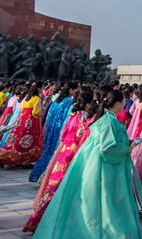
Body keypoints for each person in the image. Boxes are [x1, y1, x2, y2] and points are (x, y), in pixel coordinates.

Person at [33, 89, 142, 238]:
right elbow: (107, 149)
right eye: (123, 102)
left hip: (93, 161)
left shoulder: (105, 118)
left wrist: (128, 142)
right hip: (105, 166)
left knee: (94, 199)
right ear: (118, 103)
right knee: (106, 199)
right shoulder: (109, 120)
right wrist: (128, 148)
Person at [23, 88, 94, 233]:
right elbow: (82, 138)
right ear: (88, 104)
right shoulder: (85, 118)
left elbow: (64, 134)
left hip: (63, 152)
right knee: (64, 188)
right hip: (73, 154)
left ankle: (36, 219)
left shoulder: (73, 115)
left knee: (52, 187)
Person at [29, 82, 76, 182]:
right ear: (71, 90)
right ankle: (45, 177)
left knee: (47, 151)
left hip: (51, 127)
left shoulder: (57, 98)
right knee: (53, 152)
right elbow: (66, 116)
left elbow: (49, 113)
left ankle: (36, 174)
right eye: (75, 90)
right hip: (58, 129)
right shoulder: (68, 100)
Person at [0, 84, 43, 167]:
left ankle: (4, 156)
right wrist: (41, 113)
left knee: (16, 139)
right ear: (38, 89)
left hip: (21, 120)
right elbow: (35, 112)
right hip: (31, 122)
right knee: (29, 141)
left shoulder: (27, 98)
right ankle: (27, 160)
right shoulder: (37, 99)